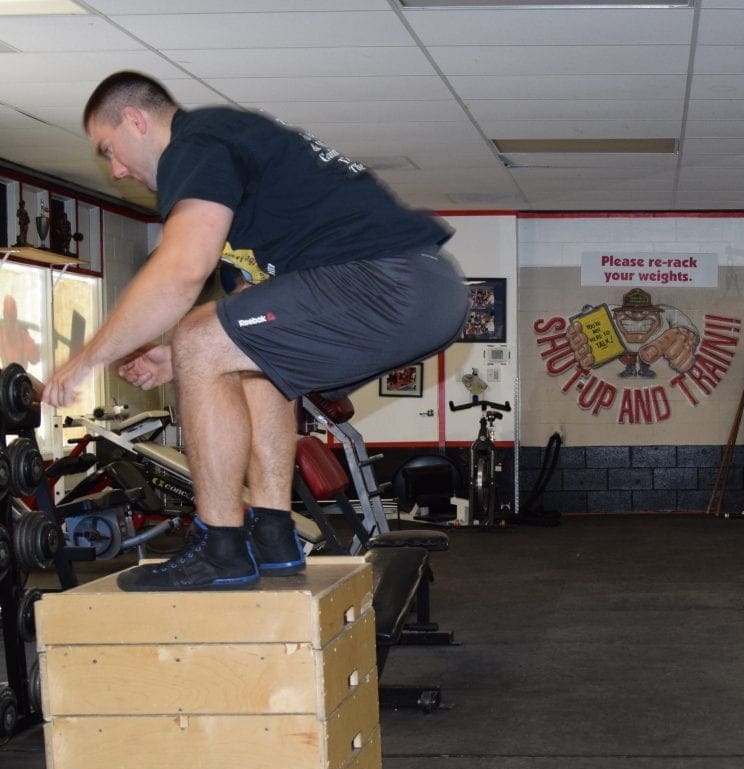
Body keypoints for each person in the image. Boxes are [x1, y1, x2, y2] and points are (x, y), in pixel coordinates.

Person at [42, 71, 468, 592]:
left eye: (109, 149)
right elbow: (251, 310)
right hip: (422, 289)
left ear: (135, 120)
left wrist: (85, 360)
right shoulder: (237, 155)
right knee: (248, 362)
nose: (116, 170)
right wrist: (174, 357)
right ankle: (273, 534)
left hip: (389, 281)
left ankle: (221, 546)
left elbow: (181, 272)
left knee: (200, 337)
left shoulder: (196, 144)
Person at [1, 294, 41, 369]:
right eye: (7, 314)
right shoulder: (1, 335)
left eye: (12, 314)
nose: (10, 318)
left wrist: (46, 346)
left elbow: (34, 358)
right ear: (4, 314)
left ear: (16, 314)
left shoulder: (23, 335)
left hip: (22, 378)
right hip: (5, 378)